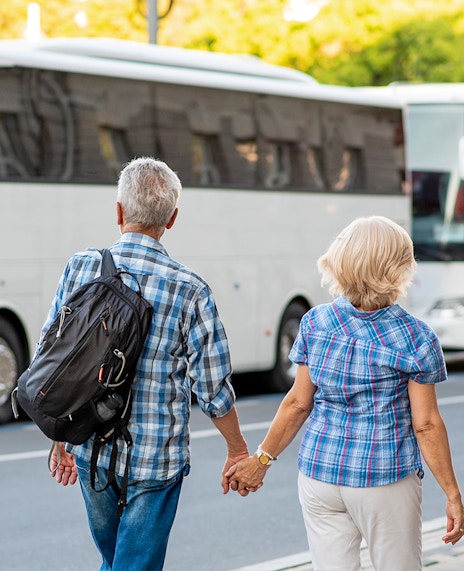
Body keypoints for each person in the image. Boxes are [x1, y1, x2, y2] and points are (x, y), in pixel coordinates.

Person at [225, 216, 464, 571]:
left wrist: (260, 462)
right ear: (398, 268)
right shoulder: (416, 337)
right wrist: (452, 494)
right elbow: (426, 424)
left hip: (320, 475)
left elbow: (296, 404)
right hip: (383, 477)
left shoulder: (315, 322)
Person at [46, 157, 250, 571]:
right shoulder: (189, 288)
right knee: (133, 565)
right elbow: (212, 386)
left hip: (89, 447)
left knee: (118, 562)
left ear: (118, 211)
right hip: (155, 458)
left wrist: (59, 437)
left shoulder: (81, 266)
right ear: (172, 218)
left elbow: (53, 358)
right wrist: (237, 449)